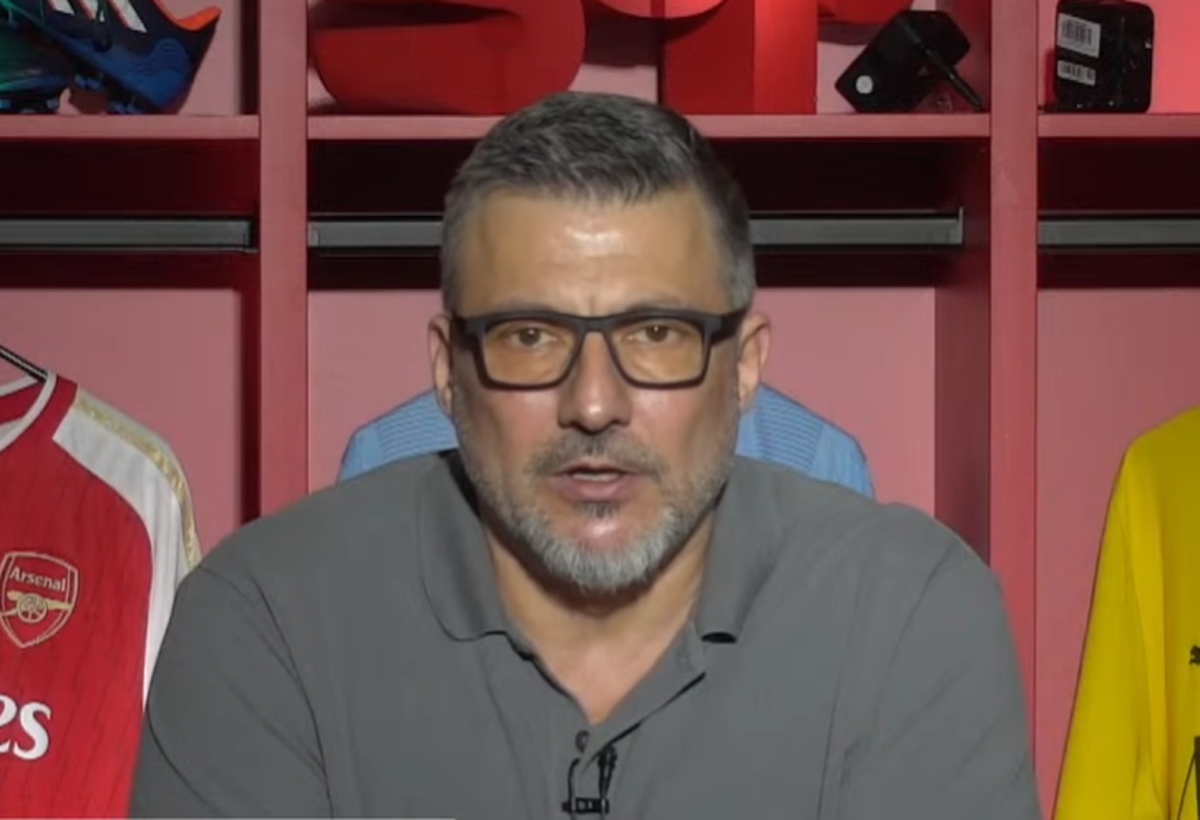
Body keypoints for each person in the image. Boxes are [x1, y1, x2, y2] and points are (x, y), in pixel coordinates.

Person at [128, 91, 1040, 820]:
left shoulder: (910, 613)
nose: (594, 405)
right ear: (448, 371)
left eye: (656, 333)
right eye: (530, 337)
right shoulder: (265, 618)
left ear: (745, 366)